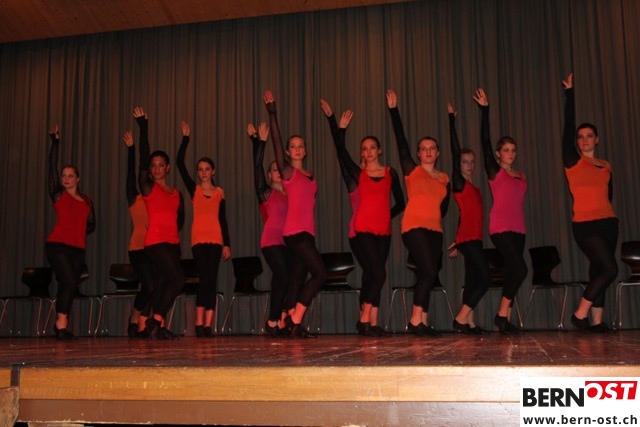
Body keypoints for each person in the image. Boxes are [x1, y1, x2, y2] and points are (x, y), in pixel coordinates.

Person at [320, 99, 405, 336]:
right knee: (378, 273)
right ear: (362, 153)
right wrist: (335, 123)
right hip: (363, 230)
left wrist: (385, 215)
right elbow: (341, 153)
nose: (368, 152)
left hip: (384, 232)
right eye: (364, 149)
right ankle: (364, 319)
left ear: (379, 150)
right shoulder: (359, 174)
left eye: (372, 148)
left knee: (373, 274)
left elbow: (401, 203)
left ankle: (373, 323)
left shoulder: (390, 172)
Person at [386, 90, 450, 337]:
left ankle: (423, 320)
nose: (428, 152)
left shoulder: (444, 178)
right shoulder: (412, 171)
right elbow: (401, 141)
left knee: (428, 274)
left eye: (432, 148)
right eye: (423, 149)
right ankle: (414, 321)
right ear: (419, 153)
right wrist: (394, 110)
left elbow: (443, 209)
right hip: (413, 227)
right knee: (429, 271)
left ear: (438, 152)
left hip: (435, 230)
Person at [263, 90, 327, 338]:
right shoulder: (288, 173)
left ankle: (291, 323)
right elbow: (276, 145)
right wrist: (273, 115)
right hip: (294, 232)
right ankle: (294, 318)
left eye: (301, 146)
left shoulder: (311, 175)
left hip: (307, 232)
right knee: (320, 273)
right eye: (293, 146)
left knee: (298, 278)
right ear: (288, 152)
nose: (297, 149)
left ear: (305, 151)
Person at [562, 73, 617, 333]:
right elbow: (567, 129)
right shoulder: (574, 162)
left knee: (599, 270)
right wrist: (570, 94)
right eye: (580, 136)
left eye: (589, 135)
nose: (584, 139)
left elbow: (609, 194)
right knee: (609, 269)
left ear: (597, 139)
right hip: (585, 224)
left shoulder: (605, 165)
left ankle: (597, 321)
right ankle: (580, 313)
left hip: (608, 222)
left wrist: (606, 215)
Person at [474, 88, 527, 334]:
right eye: (506, 150)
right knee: (521, 269)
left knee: (513, 271)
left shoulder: (521, 175)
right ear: (498, 154)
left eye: (513, 150)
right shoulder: (496, 172)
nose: (510, 154)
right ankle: (501, 314)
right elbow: (484, 143)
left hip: (519, 228)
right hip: (500, 226)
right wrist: (485, 110)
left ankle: (505, 319)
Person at [176, 120, 231, 338]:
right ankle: (198, 323)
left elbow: (223, 219)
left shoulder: (220, 192)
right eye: (200, 169)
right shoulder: (194, 190)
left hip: (216, 240)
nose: (204, 172)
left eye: (207, 169)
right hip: (198, 239)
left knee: (212, 280)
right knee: (204, 279)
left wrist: (227, 244)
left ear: (213, 171)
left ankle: (208, 325)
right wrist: (185, 138)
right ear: (198, 173)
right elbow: (179, 164)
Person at [135, 106, 186, 340]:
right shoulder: (149, 188)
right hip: (156, 242)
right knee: (178, 279)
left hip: (173, 243)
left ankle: (156, 325)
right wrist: (143, 128)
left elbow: (180, 219)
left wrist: (173, 233)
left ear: (167, 168)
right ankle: (154, 321)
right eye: (153, 165)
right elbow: (142, 164)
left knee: (165, 282)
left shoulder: (176, 193)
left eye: (160, 164)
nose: (156, 168)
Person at [46, 124, 96, 340]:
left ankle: (61, 326)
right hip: (57, 245)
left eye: (70, 175)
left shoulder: (86, 200)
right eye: (64, 176)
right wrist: (55, 142)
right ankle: (61, 325)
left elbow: (92, 224)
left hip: (77, 249)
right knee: (68, 282)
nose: (66, 179)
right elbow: (51, 168)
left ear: (77, 179)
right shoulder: (59, 195)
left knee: (69, 284)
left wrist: (79, 229)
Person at [446, 103, 490, 335]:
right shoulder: (460, 182)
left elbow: (465, 215)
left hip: (472, 238)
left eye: (472, 161)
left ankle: (469, 323)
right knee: (485, 278)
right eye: (465, 161)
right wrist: (451, 120)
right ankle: (461, 318)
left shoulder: (473, 187)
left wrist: (456, 240)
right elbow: (455, 151)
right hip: (469, 239)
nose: (469, 165)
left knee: (473, 279)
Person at [248, 122, 291, 337]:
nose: (277, 172)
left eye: (279, 169)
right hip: (272, 240)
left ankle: (279, 321)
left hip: (289, 241)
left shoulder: (292, 194)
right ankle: (273, 320)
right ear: (268, 175)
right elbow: (256, 167)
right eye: (273, 170)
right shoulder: (266, 193)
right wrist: (260, 143)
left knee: (285, 279)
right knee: (282, 275)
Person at [123, 130, 154, 338]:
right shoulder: (134, 197)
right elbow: (133, 171)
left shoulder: (156, 197)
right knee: (149, 285)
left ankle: (142, 324)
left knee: (152, 287)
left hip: (156, 247)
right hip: (137, 248)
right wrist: (131, 149)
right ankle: (134, 319)